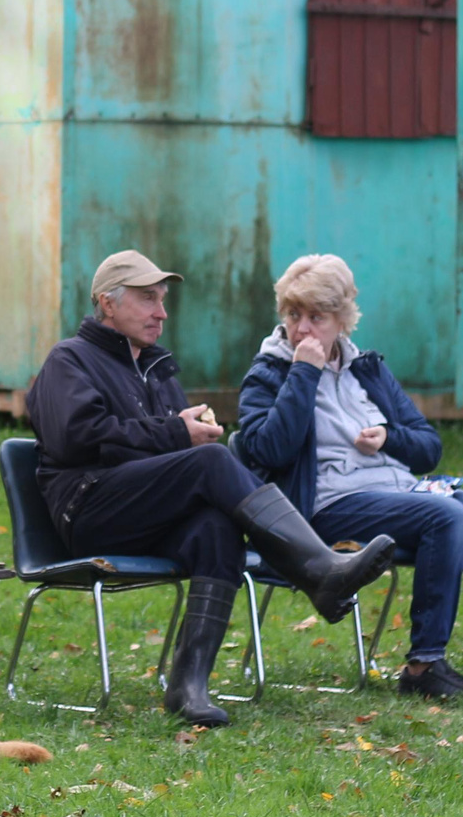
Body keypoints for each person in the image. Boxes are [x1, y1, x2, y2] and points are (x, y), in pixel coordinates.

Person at [25, 250, 400, 729]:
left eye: (162, 299)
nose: (162, 312)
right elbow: (75, 438)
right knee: (211, 462)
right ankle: (318, 570)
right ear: (107, 303)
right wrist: (175, 434)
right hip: (89, 509)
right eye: (148, 299)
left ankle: (188, 688)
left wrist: (185, 434)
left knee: (216, 527)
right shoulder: (69, 359)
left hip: (143, 514)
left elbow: (165, 455)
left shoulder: (156, 369)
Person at [236, 254, 463, 700]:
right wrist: (304, 372)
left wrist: (390, 437)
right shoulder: (269, 373)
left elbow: (428, 447)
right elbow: (269, 449)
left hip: (396, 491)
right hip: (322, 508)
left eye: (316, 317)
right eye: (293, 315)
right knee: (447, 516)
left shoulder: (365, 370)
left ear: (342, 320)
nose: (302, 329)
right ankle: (424, 666)